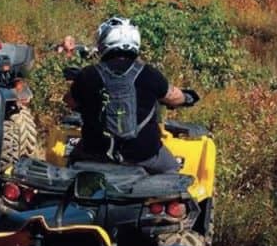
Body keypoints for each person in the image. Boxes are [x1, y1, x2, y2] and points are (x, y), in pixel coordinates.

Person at [64, 17, 193, 175]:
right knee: (172, 170)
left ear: (103, 41)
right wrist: (187, 98)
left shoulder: (88, 74)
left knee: (71, 164)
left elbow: (69, 101)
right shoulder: (149, 73)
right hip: (144, 155)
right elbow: (174, 96)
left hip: (95, 153)